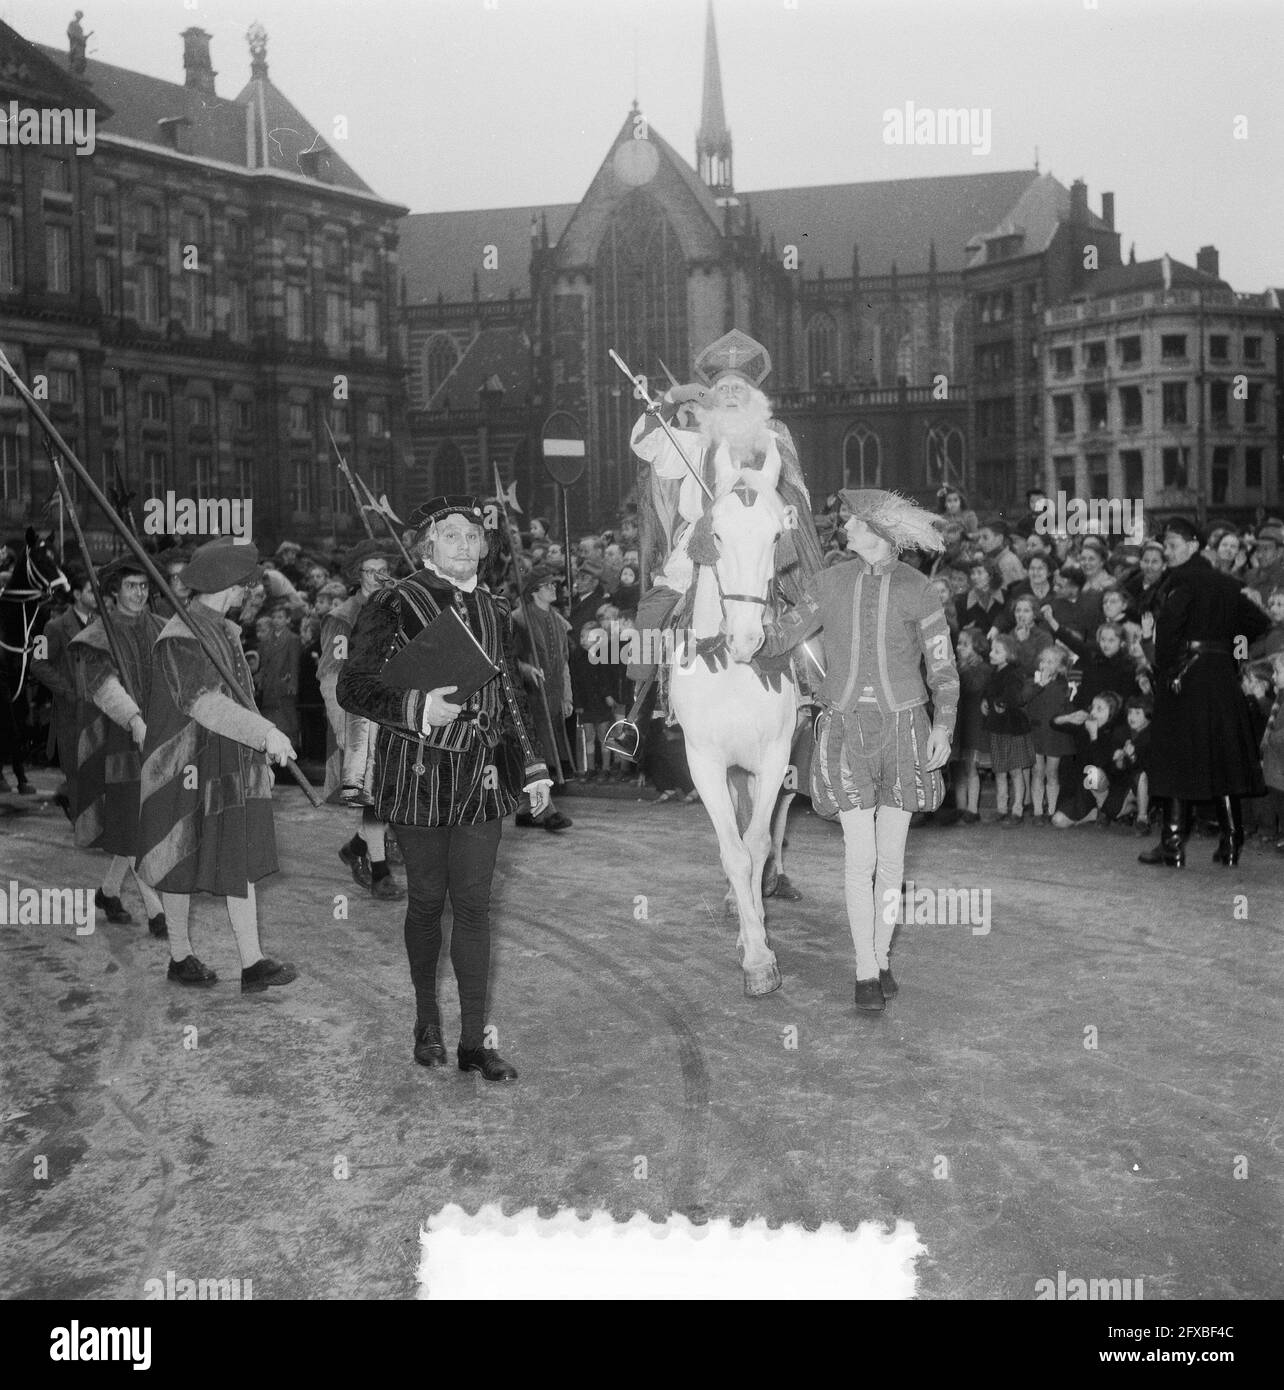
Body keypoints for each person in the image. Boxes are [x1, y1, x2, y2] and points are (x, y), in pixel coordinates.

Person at [337, 496, 552, 1082]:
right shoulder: (393, 602)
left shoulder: (496, 607)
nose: (462, 544)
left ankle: (474, 1043)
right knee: (428, 902)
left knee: (476, 907)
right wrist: (415, 706)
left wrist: (531, 765)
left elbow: (506, 692)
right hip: (417, 778)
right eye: (449, 534)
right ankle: (426, 1021)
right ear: (427, 544)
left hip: (480, 781)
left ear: (484, 547)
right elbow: (351, 688)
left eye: (471, 535)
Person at [749, 489, 957, 1014]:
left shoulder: (919, 589)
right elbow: (781, 636)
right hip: (845, 732)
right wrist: (742, 629)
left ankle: (881, 955)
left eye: (856, 523)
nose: (846, 529)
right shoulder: (829, 582)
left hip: (907, 730)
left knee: (891, 862)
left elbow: (944, 670)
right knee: (858, 857)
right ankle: (865, 967)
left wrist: (946, 727)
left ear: (881, 534)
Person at [136, 536, 298, 993]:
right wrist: (264, 733)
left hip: (228, 758)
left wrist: (259, 741)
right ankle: (179, 954)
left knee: (235, 850)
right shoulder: (180, 637)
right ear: (233, 586)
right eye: (249, 587)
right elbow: (203, 704)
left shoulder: (224, 629)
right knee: (178, 852)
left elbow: (239, 697)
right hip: (182, 762)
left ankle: (252, 962)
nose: (253, 595)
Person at [627, 329, 824, 683]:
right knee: (654, 609)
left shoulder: (774, 438)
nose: (731, 395)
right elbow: (647, 444)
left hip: (762, 542)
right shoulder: (693, 442)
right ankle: (638, 708)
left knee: (806, 609)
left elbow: (797, 495)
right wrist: (672, 397)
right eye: (723, 389)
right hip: (702, 540)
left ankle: (817, 692)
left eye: (739, 389)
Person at [1139, 517, 1271, 868]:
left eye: (1172, 544)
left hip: (1185, 678)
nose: (1166, 551)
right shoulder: (1227, 584)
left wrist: (1163, 670)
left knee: (1177, 759)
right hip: (1220, 680)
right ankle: (1231, 843)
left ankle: (1172, 844)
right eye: (1165, 546)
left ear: (1193, 545)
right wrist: (1233, 654)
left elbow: (1168, 634)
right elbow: (1258, 623)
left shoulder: (1178, 582)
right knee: (1223, 758)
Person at [69, 558, 167, 934]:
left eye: (144, 586)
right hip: (120, 741)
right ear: (114, 591)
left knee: (141, 821)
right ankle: (156, 910)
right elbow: (104, 688)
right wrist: (135, 720)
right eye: (131, 586)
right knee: (133, 821)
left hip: (156, 735)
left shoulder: (159, 628)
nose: (140, 593)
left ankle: (109, 892)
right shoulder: (98, 636)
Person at [318, 540, 404, 901]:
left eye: (383, 571)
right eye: (370, 571)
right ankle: (380, 871)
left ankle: (356, 847)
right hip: (356, 715)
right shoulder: (342, 617)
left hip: (393, 711)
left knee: (392, 790)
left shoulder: (397, 610)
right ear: (358, 575)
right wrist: (340, 724)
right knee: (374, 794)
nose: (377, 578)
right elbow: (329, 676)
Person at [28, 565, 96, 817]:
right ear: (77, 595)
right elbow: (37, 663)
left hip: (97, 707)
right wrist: (65, 690)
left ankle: (73, 800)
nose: (96, 595)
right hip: (70, 710)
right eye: (91, 591)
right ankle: (77, 809)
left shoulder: (100, 625)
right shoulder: (53, 627)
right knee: (75, 764)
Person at [982, 632, 1034, 825]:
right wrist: (984, 702)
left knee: (1015, 770)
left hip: (1012, 728)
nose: (991, 653)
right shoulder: (993, 672)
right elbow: (988, 692)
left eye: (997, 650)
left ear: (1009, 654)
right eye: (992, 649)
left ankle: (1017, 810)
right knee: (1000, 770)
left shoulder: (1013, 674)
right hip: (998, 728)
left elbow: (1013, 697)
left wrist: (1001, 702)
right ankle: (1001, 808)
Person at [1024, 645, 1075, 824]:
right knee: (1037, 771)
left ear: (1060, 667)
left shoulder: (1064, 685)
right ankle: (1038, 811)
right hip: (1036, 733)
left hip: (1055, 734)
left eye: (1051, 661)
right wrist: (1038, 684)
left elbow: (1067, 707)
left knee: (1052, 772)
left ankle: (1052, 810)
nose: (1045, 664)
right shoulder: (1033, 682)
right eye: (1043, 660)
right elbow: (1024, 699)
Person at [950, 626, 991, 824]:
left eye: (965, 645)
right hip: (958, 725)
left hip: (974, 724)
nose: (959, 648)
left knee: (971, 768)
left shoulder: (981, 668)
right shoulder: (956, 667)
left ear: (978, 648)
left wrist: (963, 669)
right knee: (958, 769)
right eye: (959, 644)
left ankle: (972, 809)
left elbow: (974, 686)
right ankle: (960, 807)